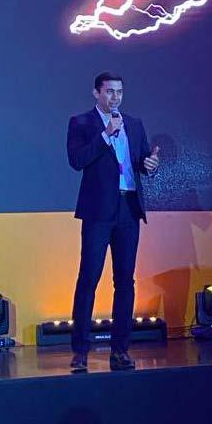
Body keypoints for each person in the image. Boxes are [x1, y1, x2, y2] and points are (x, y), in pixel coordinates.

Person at [67, 71, 159, 372]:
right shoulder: (81, 123)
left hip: (128, 208)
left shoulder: (135, 124)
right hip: (98, 211)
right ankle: (80, 351)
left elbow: (141, 161)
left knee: (125, 281)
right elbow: (77, 160)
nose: (115, 97)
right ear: (97, 93)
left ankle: (120, 350)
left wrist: (150, 165)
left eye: (119, 92)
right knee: (89, 278)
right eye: (109, 91)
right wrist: (106, 134)